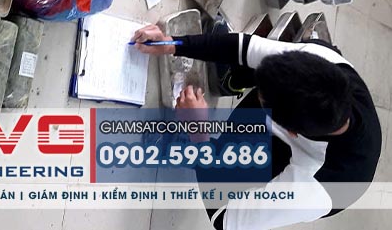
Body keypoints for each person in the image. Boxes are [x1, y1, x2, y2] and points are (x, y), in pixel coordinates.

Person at [132, 24, 382, 230]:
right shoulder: (323, 60)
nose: (256, 94)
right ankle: (229, 91)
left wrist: (199, 134)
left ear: (290, 131)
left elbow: (223, 217)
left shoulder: (317, 190)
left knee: (232, 164)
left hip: (301, 171)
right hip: (303, 128)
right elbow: (244, 47)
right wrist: (173, 44)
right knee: (248, 90)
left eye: (264, 100)